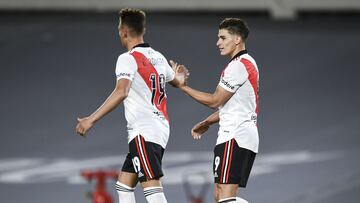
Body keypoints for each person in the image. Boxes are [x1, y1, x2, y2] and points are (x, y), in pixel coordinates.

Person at [75, 8, 187, 203]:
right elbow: (177, 82)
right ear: (143, 30)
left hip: (144, 131)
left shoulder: (127, 59)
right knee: (124, 185)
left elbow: (121, 91)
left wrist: (90, 120)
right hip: (159, 128)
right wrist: (179, 75)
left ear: (123, 32)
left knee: (152, 185)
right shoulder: (158, 57)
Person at [173, 18, 259, 203]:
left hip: (236, 135)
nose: (218, 42)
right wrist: (206, 123)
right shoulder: (245, 63)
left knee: (225, 197)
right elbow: (232, 107)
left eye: (222, 37)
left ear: (237, 39)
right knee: (220, 195)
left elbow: (215, 100)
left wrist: (183, 87)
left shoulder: (238, 66)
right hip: (236, 134)